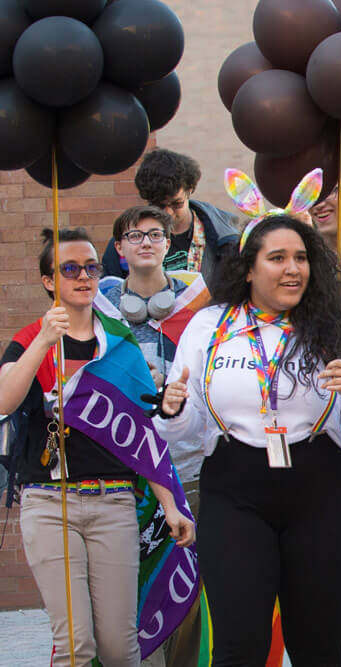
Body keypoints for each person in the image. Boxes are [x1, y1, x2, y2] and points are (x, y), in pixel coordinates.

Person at [155, 212, 341, 666]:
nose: (293, 269)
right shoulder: (209, 326)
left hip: (320, 492)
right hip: (234, 490)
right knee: (239, 644)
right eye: (278, 258)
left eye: (302, 258)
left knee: (318, 645)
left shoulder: (340, 328)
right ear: (248, 268)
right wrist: (172, 409)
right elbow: (182, 432)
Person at [1, 228, 194, 667]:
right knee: (75, 648)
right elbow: (3, 400)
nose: (84, 276)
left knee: (119, 649)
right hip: (50, 504)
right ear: (49, 280)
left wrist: (170, 505)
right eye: (70, 268)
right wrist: (42, 344)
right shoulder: (31, 337)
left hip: (114, 505)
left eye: (92, 267)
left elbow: (146, 437)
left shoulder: (119, 344)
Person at [97, 206, 209, 667]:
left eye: (155, 234)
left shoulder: (201, 310)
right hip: (125, 471)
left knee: (189, 587)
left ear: (168, 244)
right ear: (120, 249)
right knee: (127, 591)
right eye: (134, 235)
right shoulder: (98, 316)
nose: (146, 242)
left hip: (189, 468)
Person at [101, 149, 239, 280]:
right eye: (159, 206)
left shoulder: (224, 236)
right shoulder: (127, 240)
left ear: (190, 190)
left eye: (176, 204)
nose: (168, 213)